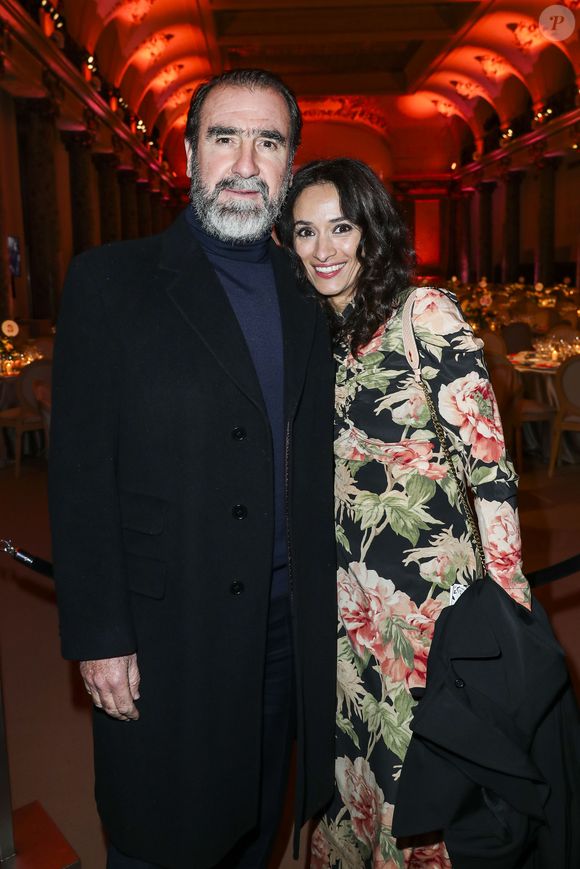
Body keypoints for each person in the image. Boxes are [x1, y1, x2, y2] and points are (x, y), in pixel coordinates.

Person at [49, 70, 337, 869]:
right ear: (187, 154)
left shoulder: (314, 290)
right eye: (224, 137)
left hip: (288, 629)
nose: (245, 161)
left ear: (290, 165)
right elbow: (77, 475)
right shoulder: (110, 282)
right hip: (164, 628)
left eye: (269, 141)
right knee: (158, 839)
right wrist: (101, 634)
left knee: (254, 827)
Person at [277, 158, 531, 868]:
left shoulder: (424, 313)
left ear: (370, 232)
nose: (324, 249)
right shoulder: (311, 339)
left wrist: (508, 606)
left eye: (340, 227)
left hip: (432, 604)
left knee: (424, 776)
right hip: (350, 601)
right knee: (358, 760)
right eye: (305, 231)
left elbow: (489, 463)